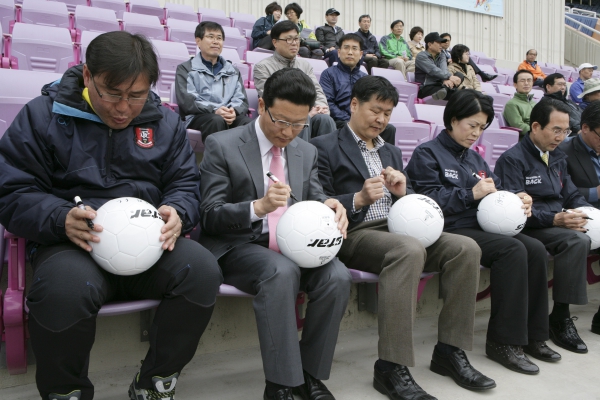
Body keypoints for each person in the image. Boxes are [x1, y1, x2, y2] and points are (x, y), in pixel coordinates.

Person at [0, 31, 223, 400]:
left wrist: (178, 210)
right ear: (88, 76)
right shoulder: (43, 116)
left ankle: (155, 381)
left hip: (150, 245)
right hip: (73, 244)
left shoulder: (165, 123)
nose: (123, 108)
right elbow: (12, 191)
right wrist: (59, 216)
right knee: (63, 290)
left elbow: (185, 184)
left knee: (201, 271)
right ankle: (65, 391)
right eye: (111, 93)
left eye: (135, 96)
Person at [312, 77, 495, 400]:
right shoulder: (325, 146)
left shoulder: (392, 151)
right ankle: (391, 366)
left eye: (387, 113)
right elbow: (318, 202)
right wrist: (357, 199)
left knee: (465, 248)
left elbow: (406, 204)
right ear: (354, 105)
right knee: (409, 249)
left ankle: (450, 351)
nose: (381, 119)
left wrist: (401, 193)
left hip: (398, 229)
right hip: (355, 234)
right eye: (375, 110)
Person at [198, 68, 352, 400]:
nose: (288, 132)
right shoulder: (222, 144)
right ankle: (282, 383)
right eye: (281, 121)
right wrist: (258, 207)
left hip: (296, 245)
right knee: (280, 272)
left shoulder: (305, 151)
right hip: (241, 244)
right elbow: (209, 215)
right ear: (262, 105)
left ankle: (309, 374)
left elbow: (314, 197)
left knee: (337, 276)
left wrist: (330, 207)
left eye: (299, 124)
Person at [406, 89, 559, 376]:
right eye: (471, 125)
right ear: (452, 120)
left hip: (479, 225)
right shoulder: (427, 153)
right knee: (512, 250)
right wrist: (470, 193)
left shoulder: (476, 160)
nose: (476, 133)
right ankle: (503, 342)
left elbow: (496, 193)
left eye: (482, 127)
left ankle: (534, 335)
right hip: (449, 228)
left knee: (535, 249)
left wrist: (518, 199)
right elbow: (426, 200)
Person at [495, 98, 591, 355]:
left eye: (565, 131)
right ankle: (561, 316)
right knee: (576, 241)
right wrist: (554, 219)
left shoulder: (557, 156)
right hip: (530, 225)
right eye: (555, 130)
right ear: (535, 127)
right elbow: (515, 209)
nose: (561, 137)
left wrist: (584, 212)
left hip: (555, 220)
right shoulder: (513, 159)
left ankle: (561, 317)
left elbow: (571, 194)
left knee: (585, 232)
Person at [253, 20, 337, 140]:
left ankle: (326, 158)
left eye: (296, 39)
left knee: (325, 119)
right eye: (288, 39)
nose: (294, 43)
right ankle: (298, 157)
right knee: (302, 119)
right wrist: (302, 113)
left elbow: (317, 91)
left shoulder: (305, 65)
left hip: (306, 114)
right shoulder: (263, 67)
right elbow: (270, 99)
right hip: (279, 118)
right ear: (275, 42)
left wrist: (321, 107)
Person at [559, 101, 600, 334]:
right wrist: (596, 192)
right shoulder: (563, 151)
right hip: (579, 216)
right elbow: (561, 193)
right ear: (584, 128)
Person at [176, 21, 252, 143]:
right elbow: (188, 101)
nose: (216, 41)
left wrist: (234, 111)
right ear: (198, 41)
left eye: (219, 38)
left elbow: (241, 100)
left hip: (227, 116)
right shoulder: (186, 69)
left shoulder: (233, 71)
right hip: (199, 116)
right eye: (210, 37)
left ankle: (242, 161)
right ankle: (217, 161)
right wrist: (215, 110)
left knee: (249, 123)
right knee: (216, 120)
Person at [319, 34, 396, 145]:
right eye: (346, 48)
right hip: (339, 120)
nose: (350, 52)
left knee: (389, 129)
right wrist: (350, 119)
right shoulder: (328, 74)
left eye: (354, 48)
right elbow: (328, 102)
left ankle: (385, 161)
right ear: (339, 53)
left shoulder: (366, 78)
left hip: (362, 121)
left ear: (360, 54)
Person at [415, 32, 464, 100]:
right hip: (426, 87)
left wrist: (446, 80)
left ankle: (446, 89)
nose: (441, 45)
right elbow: (434, 70)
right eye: (438, 43)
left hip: (440, 85)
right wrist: (449, 77)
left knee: (459, 75)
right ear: (430, 44)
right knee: (458, 95)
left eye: (441, 43)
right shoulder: (421, 56)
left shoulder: (442, 55)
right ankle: (448, 90)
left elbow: (444, 69)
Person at [503, 70, 536, 136]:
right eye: (522, 80)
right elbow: (519, 126)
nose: (526, 83)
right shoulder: (511, 104)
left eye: (529, 80)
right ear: (515, 85)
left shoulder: (534, 103)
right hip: (526, 139)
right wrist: (539, 133)